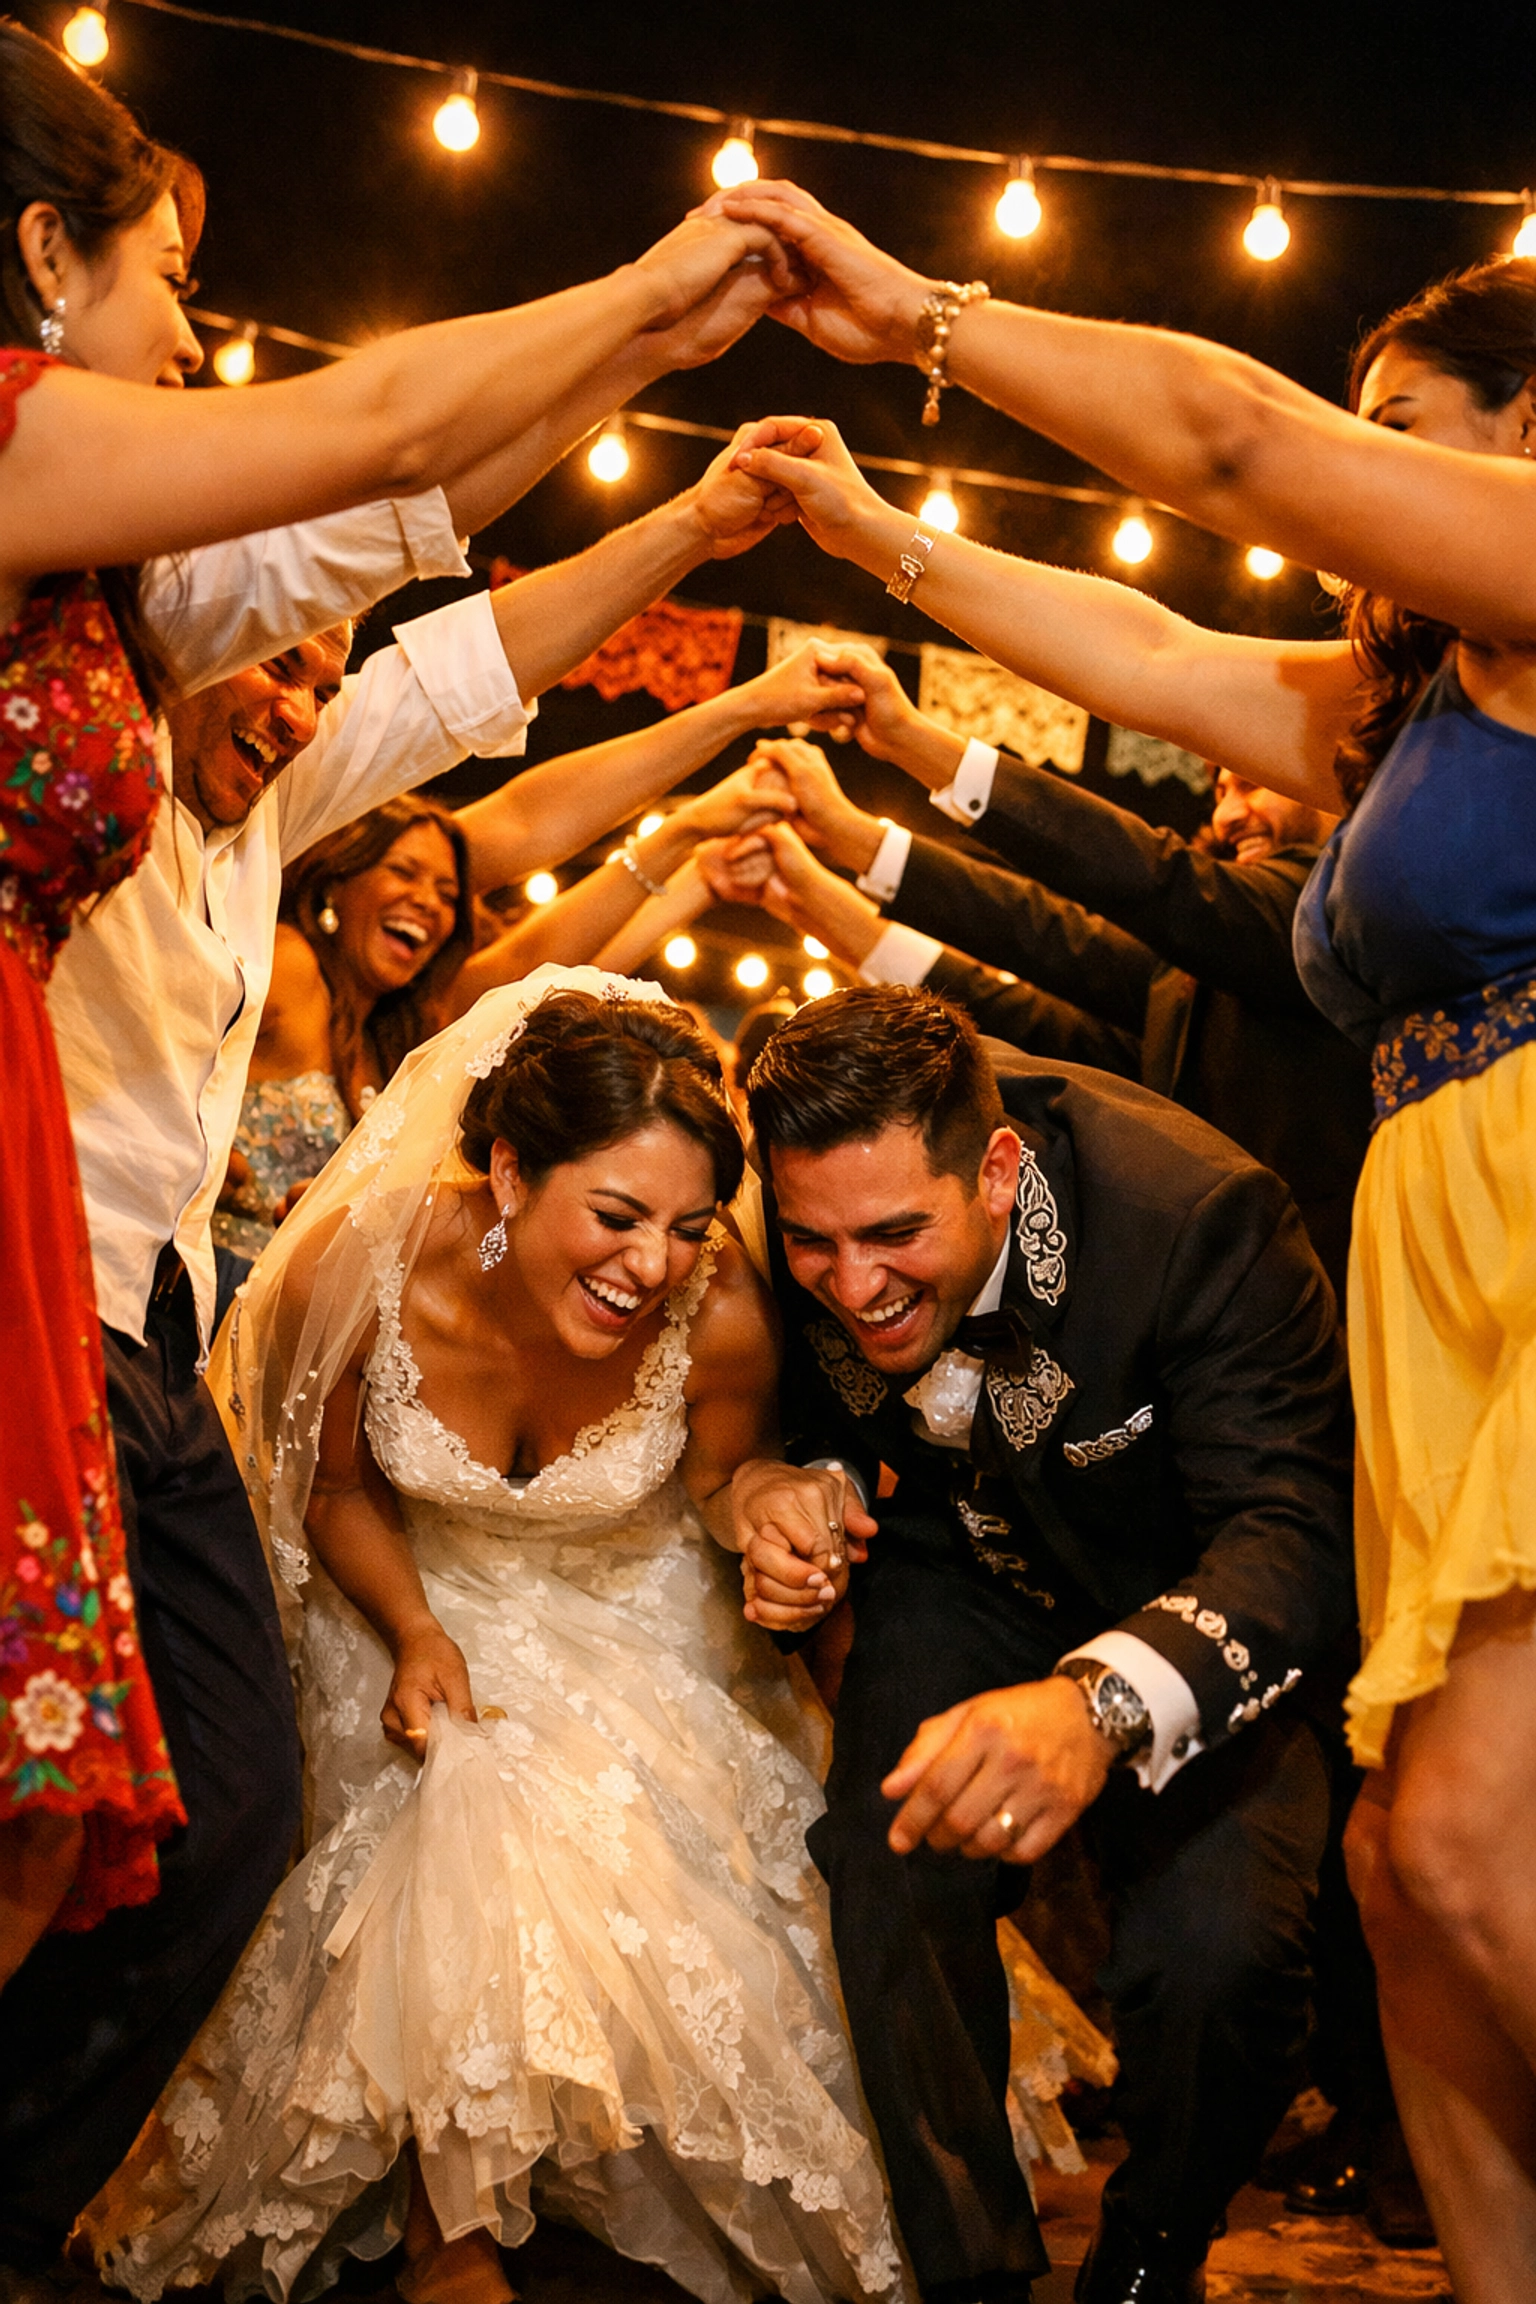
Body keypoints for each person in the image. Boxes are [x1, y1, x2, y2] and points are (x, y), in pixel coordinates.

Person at [710, 187, 1536, 2293]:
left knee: (1456, 1848)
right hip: (1444, 1271)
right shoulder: (1418, 709)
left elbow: (1232, 442)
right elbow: (1148, 656)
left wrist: (918, 319)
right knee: (1408, 1870)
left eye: (1411, 429)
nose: (1366, 478)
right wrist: (878, 535)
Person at [4, 428, 856, 2275]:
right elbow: (481, 759)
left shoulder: (267, 840)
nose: (310, 697)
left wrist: (718, 597)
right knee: (90, 1802)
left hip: (145, 1345)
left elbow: (481, 720)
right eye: (282, 650)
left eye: (333, 669)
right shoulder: (116, 796)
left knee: (186, 1808)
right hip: (56, 1315)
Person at [0, 3, 783, 2006]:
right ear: (37, 257)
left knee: (100, 1798)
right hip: (41, 1257)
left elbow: (418, 585)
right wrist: (637, 295)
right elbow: (374, 440)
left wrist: (673, 443)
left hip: (120, 1300)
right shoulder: (36, 473)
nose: (189, 344)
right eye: (171, 287)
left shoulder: (116, 629)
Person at [87, 971, 908, 2304]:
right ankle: (450, 2235)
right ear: (513, 1172)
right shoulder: (360, 1261)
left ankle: (501, 2206)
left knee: (585, 1804)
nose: (653, 1266)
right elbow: (334, 1488)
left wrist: (777, 1511)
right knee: (461, 1785)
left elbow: (719, 1479)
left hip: (627, 1594)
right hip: (409, 1590)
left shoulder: (719, 1307)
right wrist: (411, 1627)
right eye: (619, 1215)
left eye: (689, 1226)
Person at [729, 984, 1354, 2304]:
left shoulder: (1199, 1219)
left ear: (999, 1172)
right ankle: (972, 2276)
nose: (852, 1287)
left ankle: (1145, 2263)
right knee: (882, 1860)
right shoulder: (799, 1203)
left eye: (895, 1237)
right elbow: (786, 1410)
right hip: (963, 1575)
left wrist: (1095, 1707)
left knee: (1221, 1957)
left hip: (1193, 1602)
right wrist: (793, 1485)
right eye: (813, 1246)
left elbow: (1294, 1537)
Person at [212, 639, 858, 1261]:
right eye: (405, 873)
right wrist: (201, 1160)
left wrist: (697, 873)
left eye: (445, 892)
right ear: (338, 878)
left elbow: (547, 974)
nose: (429, 903)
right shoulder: (287, 963)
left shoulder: (401, 1029)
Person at [744, 708, 1369, 1309]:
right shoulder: (1209, 962)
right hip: (1206, 1305)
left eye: (1252, 784)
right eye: (1221, 789)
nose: (1230, 814)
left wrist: (908, 747)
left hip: (1333, 1303)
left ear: (1330, 775)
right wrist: (824, 899)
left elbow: (1149, 879)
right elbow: (1039, 983)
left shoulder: (1343, 909)